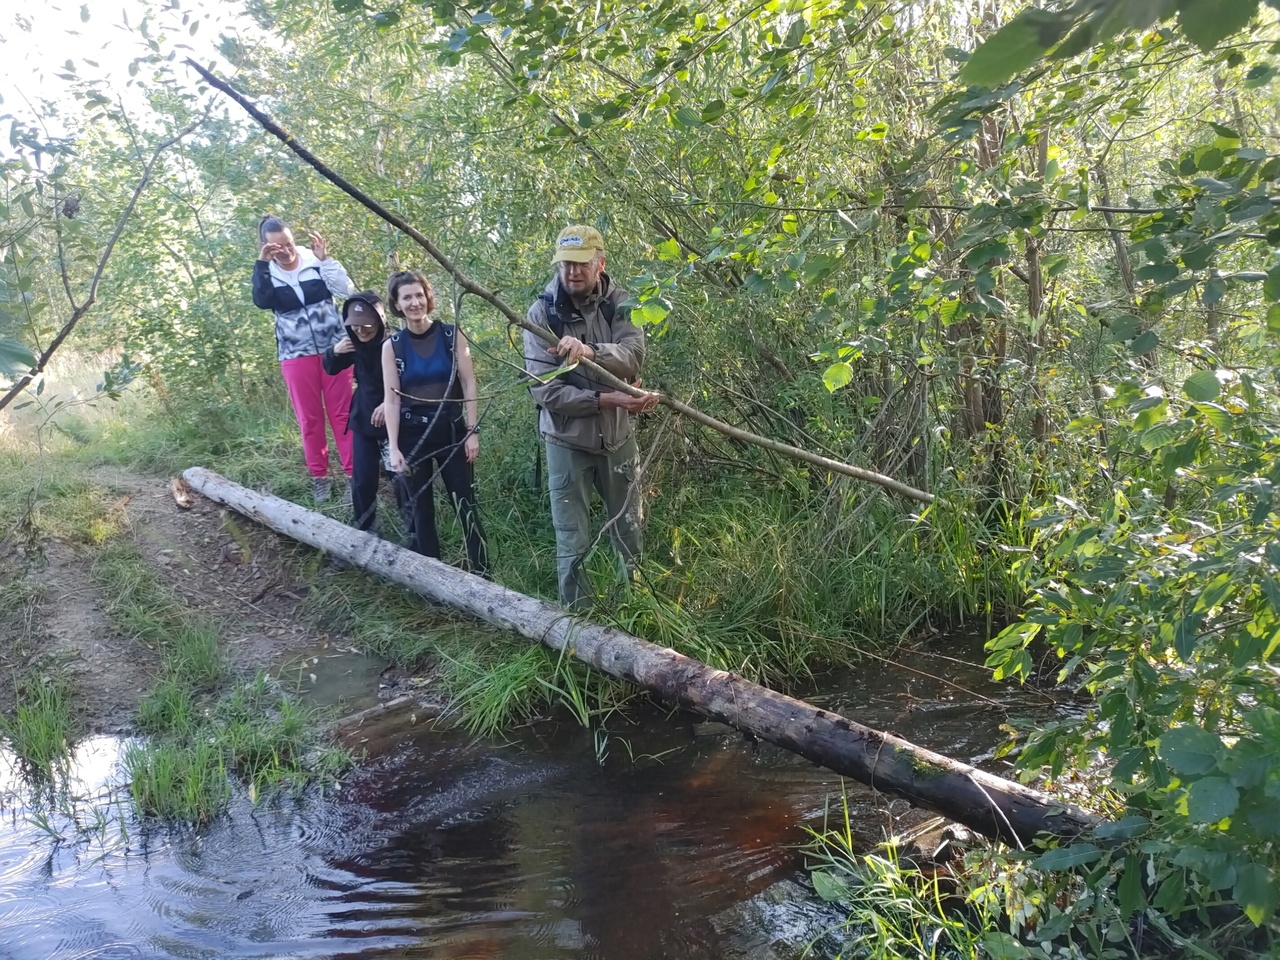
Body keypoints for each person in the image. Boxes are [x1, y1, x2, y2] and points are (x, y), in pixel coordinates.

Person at [523, 225, 659, 611]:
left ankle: (636, 611)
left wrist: (589, 351)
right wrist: (605, 398)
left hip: (619, 437)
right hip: (566, 442)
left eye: (581, 264)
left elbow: (633, 356)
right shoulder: (541, 313)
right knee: (572, 537)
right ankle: (579, 624)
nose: (572, 273)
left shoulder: (621, 302)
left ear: (600, 263)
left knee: (629, 528)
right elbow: (543, 390)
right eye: (565, 264)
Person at [382, 270, 488, 576]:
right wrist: (393, 447)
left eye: (419, 295)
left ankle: (483, 576)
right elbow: (392, 399)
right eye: (407, 298)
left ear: (428, 298)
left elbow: (468, 385)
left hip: (453, 432)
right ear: (397, 304)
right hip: (413, 436)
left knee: (465, 504)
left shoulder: (451, 336)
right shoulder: (393, 347)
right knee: (422, 511)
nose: (415, 302)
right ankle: (433, 580)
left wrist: (472, 432)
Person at [251, 215, 356, 504]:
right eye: (277, 247)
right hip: (295, 354)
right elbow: (261, 301)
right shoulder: (267, 272)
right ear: (266, 247)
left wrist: (325, 260)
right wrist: (262, 264)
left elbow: (346, 290)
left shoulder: (313, 260)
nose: (286, 250)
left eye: (288, 242)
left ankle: (353, 477)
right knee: (309, 419)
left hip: (336, 349)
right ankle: (320, 478)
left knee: (344, 415)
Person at [322, 291, 412, 536]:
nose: (361, 331)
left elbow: (411, 380)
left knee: (401, 478)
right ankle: (365, 529)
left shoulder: (396, 343)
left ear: (380, 320)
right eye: (356, 326)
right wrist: (335, 351)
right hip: (363, 420)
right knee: (362, 480)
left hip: (395, 420)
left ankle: (413, 530)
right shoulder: (353, 344)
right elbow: (329, 368)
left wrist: (390, 401)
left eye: (367, 325)